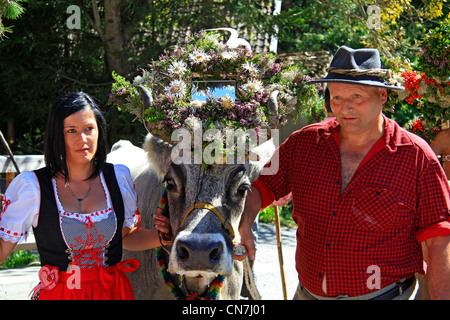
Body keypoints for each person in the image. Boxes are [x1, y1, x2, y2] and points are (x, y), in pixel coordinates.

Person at [237, 46, 450, 300]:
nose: (344, 108)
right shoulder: (303, 143)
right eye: (336, 98)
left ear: (382, 95)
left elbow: (439, 239)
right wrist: (246, 223)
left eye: (356, 97)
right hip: (306, 295)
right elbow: (261, 189)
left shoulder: (416, 156)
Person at [0, 92, 171, 300]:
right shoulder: (33, 188)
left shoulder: (118, 178)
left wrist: (163, 238)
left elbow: (126, 237)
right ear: (57, 136)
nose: (83, 139)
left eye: (89, 129)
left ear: (99, 130)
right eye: (71, 131)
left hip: (113, 293)